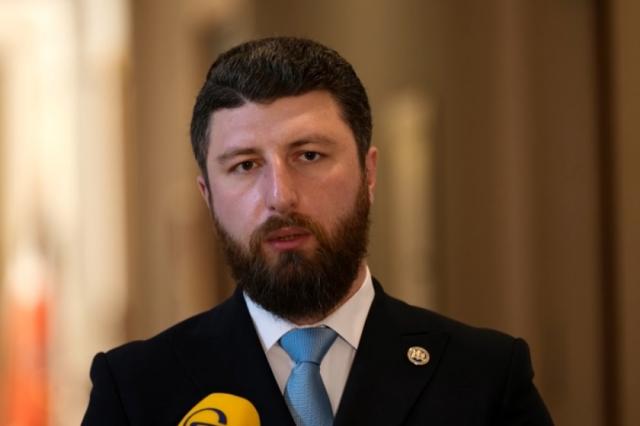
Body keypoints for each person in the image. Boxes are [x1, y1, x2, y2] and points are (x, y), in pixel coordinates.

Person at [82, 37, 553, 425]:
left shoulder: (485, 379)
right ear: (207, 195)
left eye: (309, 155)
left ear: (369, 173)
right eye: (245, 165)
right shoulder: (136, 391)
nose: (280, 196)